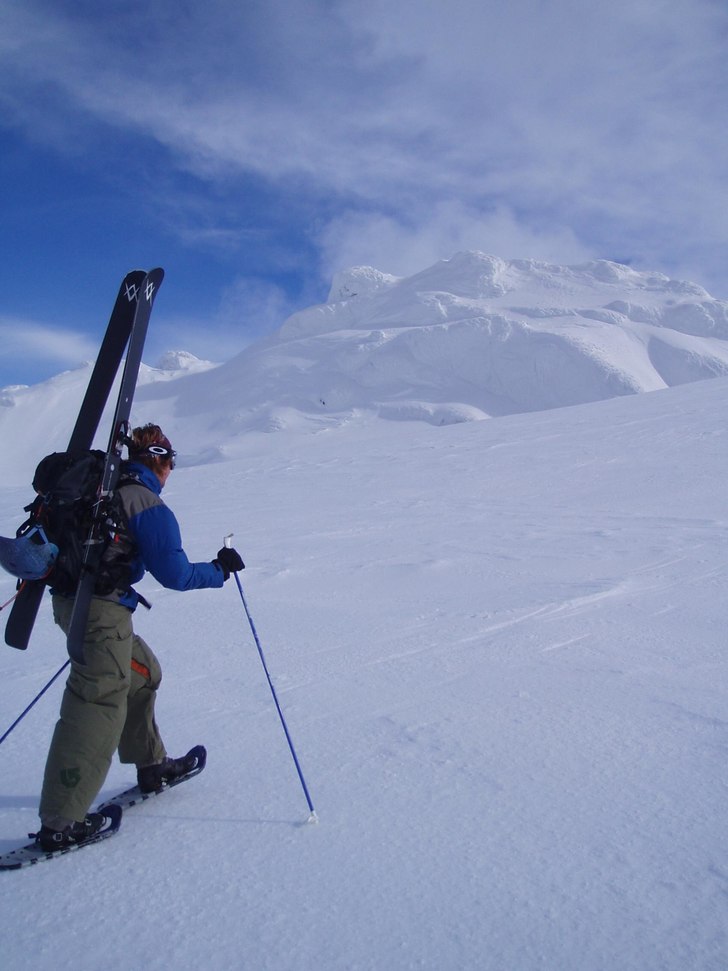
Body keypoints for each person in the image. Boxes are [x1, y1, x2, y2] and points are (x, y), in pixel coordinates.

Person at [35, 423, 244, 851]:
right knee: (98, 701)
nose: (172, 471)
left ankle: (151, 764)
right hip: (100, 614)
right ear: (159, 462)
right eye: (171, 462)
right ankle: (61, 823)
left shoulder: (104, 488)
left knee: (142, 672)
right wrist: (220, 570)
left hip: (76, 605)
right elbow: (176, 574)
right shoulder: (144, 502)